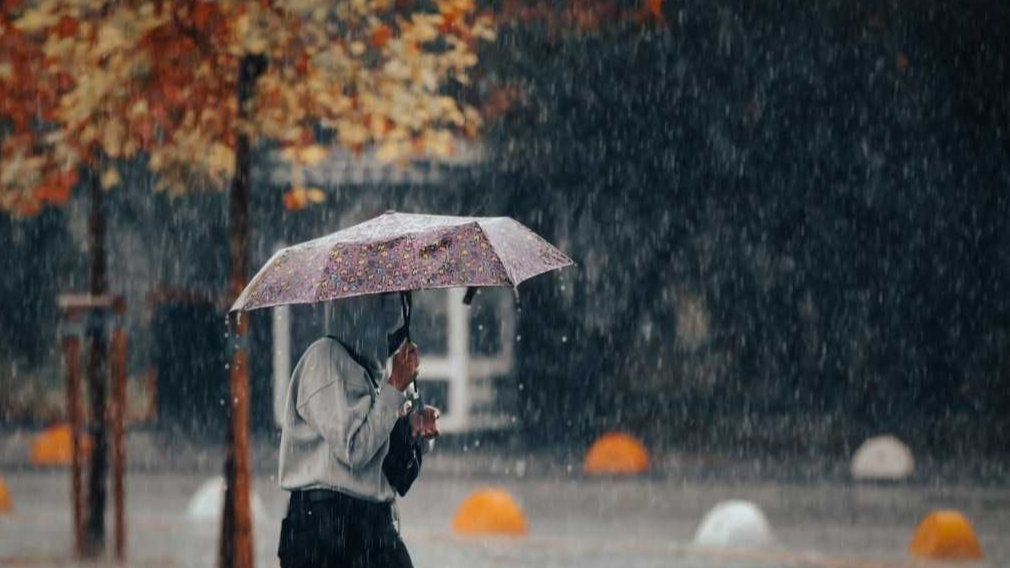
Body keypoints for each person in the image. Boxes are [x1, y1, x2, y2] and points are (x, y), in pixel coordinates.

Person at [277, 292, 439, 568]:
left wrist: (413, 429)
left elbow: (381, 450)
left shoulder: (375, 371)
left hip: (373, 525)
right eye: (383, 300)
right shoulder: (323, 360)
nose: (393, 314)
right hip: (325, 526)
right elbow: (354, 449)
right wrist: (394, 389)